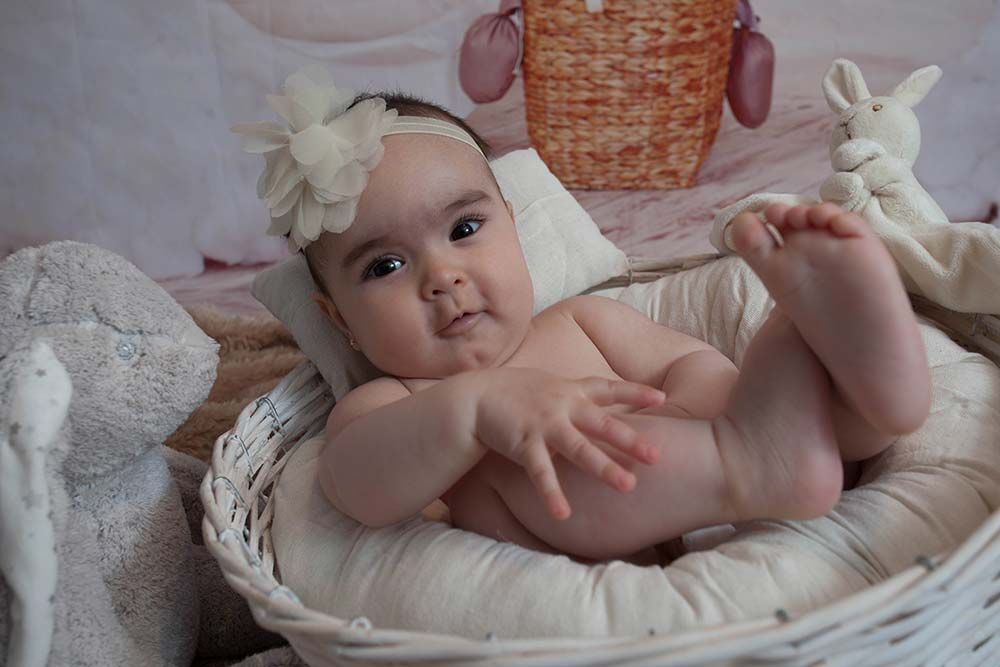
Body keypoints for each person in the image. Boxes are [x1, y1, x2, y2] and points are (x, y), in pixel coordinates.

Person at [235, 70, 931, 566]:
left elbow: (682, 363)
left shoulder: (584, 321)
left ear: (514, 226)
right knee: (520, 465)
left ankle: (861, 374)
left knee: (791, 381)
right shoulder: (394, 403)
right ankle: (763, 451)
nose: (442, 278)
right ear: (341, 321)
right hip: (655, 505)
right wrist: (477, 409)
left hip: (729, 469)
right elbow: (357, 484)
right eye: (384, 266)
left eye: (466, 227)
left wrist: (699, 399)